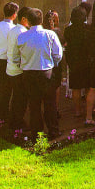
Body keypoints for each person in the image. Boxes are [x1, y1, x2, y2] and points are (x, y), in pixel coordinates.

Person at [14, 8, 62, 137]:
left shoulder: (22, 37)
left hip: (29, 73)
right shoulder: (50, 35)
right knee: (49, 103)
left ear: (28, 21)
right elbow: (58, 54)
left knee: (34, 104)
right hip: (46, 72)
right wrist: (53, 64)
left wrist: (23, 63)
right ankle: (53, 130)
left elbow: (15, 57)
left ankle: (37, 132)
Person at [62, 5, 92, 119]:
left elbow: (67, 44)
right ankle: (89, 109)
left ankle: (78, 111)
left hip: (74, 61)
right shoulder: (88, 28)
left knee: (76, 88)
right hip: (87, 60)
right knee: (89, 87)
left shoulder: (68, 30)